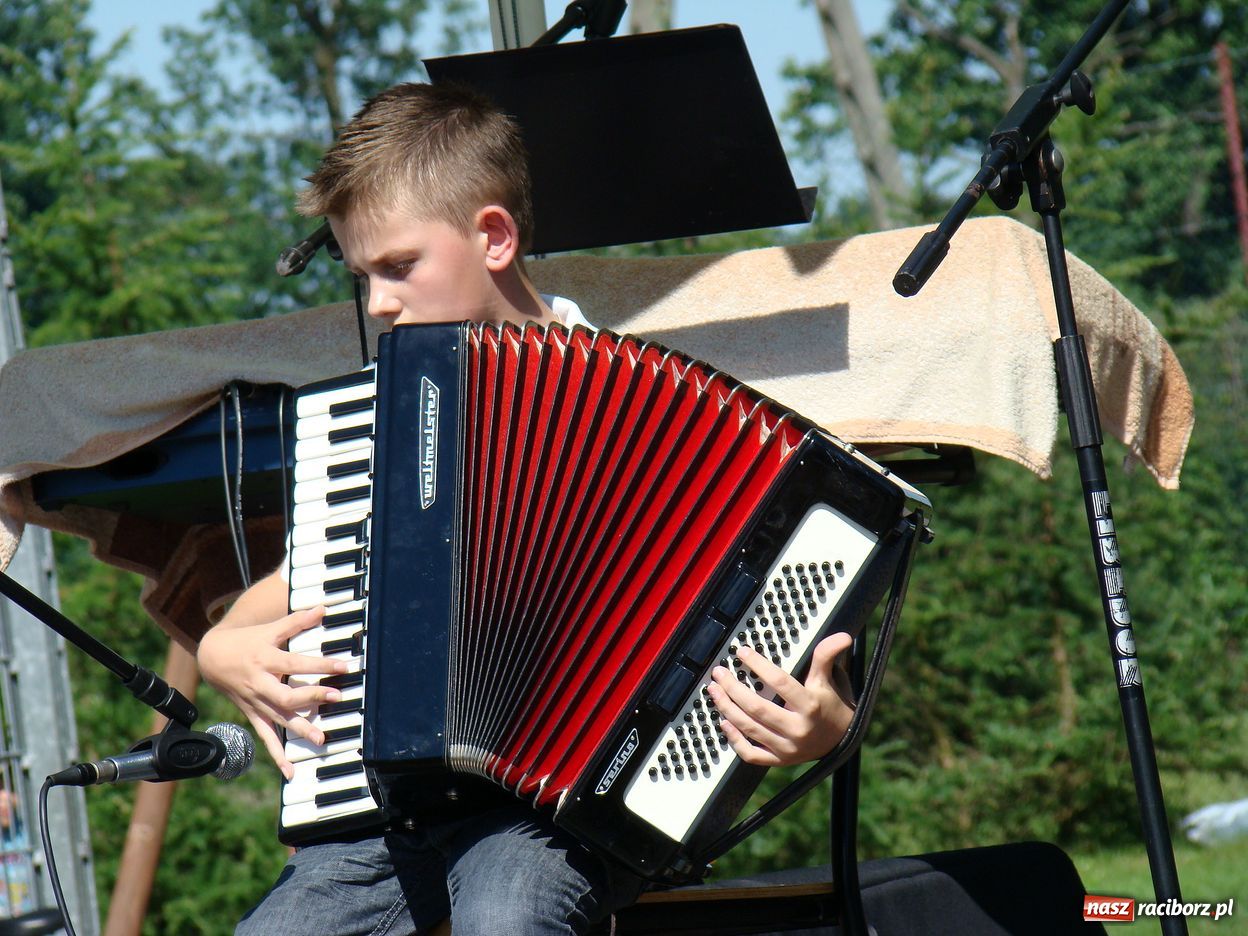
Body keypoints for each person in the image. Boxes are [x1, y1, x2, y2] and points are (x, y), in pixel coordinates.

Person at [196, 81, 856, 936]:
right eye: (363, 276)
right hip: (383, 816)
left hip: (556, 815)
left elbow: (762, 628)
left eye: (399, 267)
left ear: (495, 237)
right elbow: (295, 589)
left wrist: (824, 728)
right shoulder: (379, 424)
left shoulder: (643, 404)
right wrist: (221, 649)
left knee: (508, 921)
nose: (378, 303)